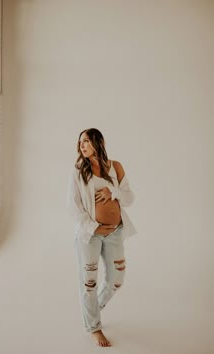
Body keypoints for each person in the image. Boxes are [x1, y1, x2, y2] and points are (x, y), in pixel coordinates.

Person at [66, 128, 137, 347]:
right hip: (90, 236)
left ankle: (93, 308)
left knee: (117, 279)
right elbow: (73, 207)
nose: (82, 146)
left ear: (100, 142)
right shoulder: (78, 171)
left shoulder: (115, 167)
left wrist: (111, 191)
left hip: (115, 232)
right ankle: (93, 327)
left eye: (86, 141)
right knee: (89, 282)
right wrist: (94, 228)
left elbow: (129, 198)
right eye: (80, 142)